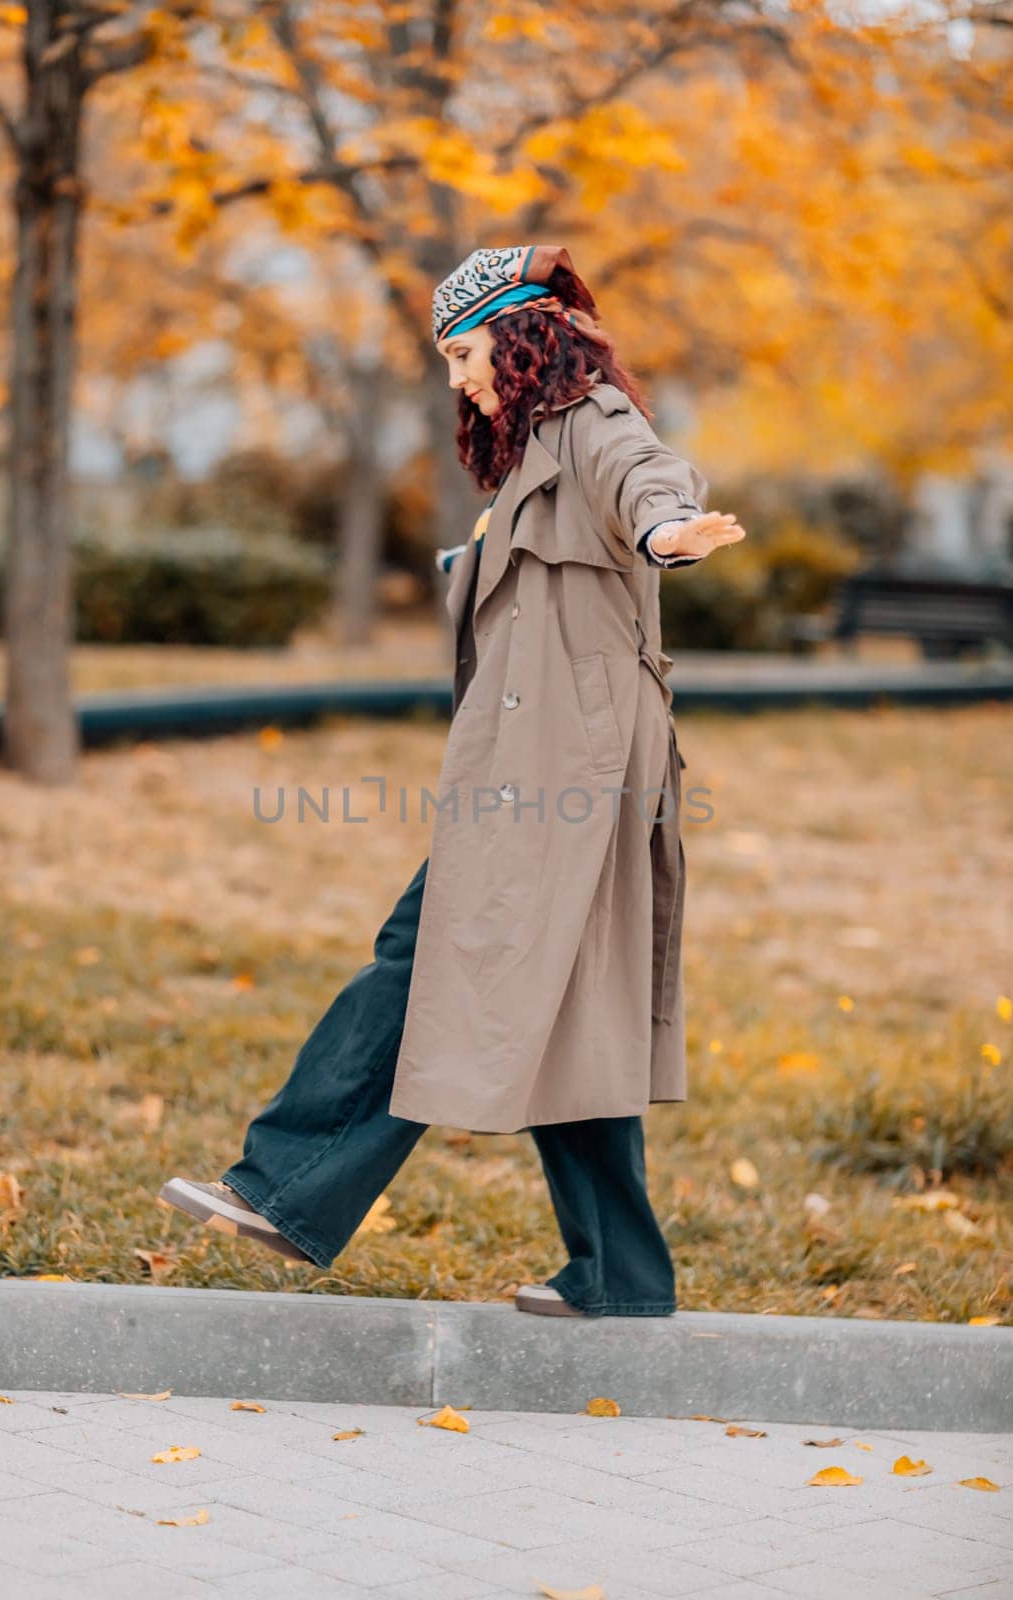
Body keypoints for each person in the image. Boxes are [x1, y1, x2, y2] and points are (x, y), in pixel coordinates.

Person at [160, 242, 745, 1317]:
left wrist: (669, 534)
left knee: (419, 959)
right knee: (562, 1001)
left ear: (521, 337)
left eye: (465, 352)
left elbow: (650, 487)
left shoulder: (594, 428)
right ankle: (619, 1278)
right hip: (546, 770)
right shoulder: (534, 453)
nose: (456, 377)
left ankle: (286, 1190)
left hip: (561, 775)